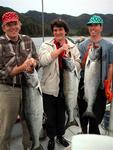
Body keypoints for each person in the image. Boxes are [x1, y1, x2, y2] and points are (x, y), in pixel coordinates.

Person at [0, 11, 43, 150]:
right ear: (4, 27)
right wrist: (22, 67)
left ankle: (31, 146)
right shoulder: (0, 44)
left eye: (15, 24)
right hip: (8, 90)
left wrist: (34, 63)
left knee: (28, 123)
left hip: (30, 88)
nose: (13, 27)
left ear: (20, 25)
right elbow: (2, 73)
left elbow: (37, 60)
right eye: (9, 24)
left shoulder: (28, 39)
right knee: (5, 127)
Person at [39, 18, 81, 150]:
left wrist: (72, 62)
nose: (57, 32)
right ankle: (51, 138)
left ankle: (61, 136)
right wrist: (60, 50)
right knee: (50, 117)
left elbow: (79, 64)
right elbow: (43, 61)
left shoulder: (73, 46)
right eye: (55, 30)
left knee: (61, 115)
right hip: (49, 88)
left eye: (60, 30)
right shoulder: (46, 45)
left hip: (68, 88)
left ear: (65, 31)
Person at [77, 15, 113, 134]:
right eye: (90, 25)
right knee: (83, 116)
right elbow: (81, 67)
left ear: (101, 27)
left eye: (96, 25)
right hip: (85, 84)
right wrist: (87, 55)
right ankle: (83, 133)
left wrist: (108, 84)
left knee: (96, 118)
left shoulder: (109, 46)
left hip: (101, 87)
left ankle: (93, 137)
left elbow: (110, 66)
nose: (93, 28)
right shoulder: (82, 45)